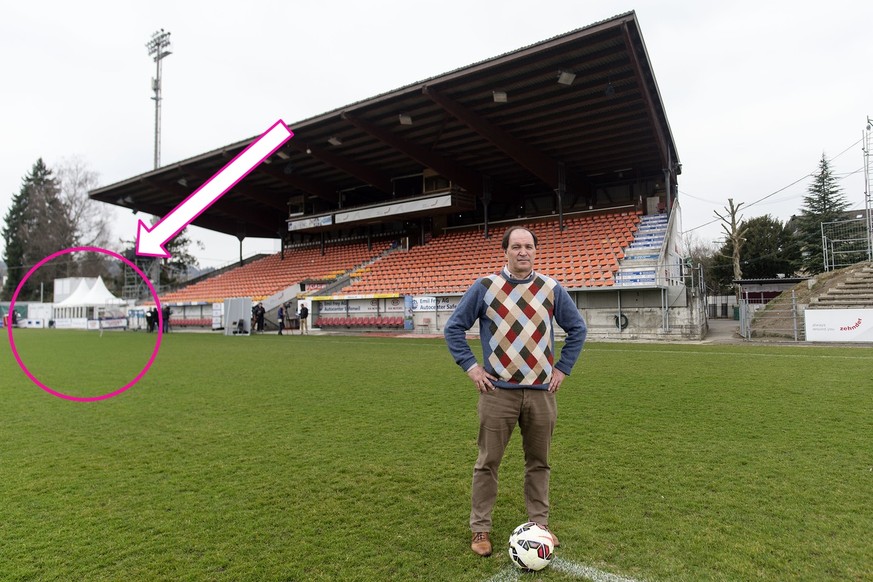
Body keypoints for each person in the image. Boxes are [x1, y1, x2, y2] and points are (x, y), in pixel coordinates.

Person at [444, 226, 587, 558]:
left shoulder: (551, 288)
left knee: (539, 462)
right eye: (516, 246)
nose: (523, 251)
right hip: (498, 393)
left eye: (529, 247)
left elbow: (577, 328)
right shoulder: (485, 287)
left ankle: (539, 526)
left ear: (535, 251)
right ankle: (481, 527)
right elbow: (454, 327)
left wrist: (563, 367)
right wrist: (471, 367)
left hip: (541, 393)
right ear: (505, 251)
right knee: (487, 462)